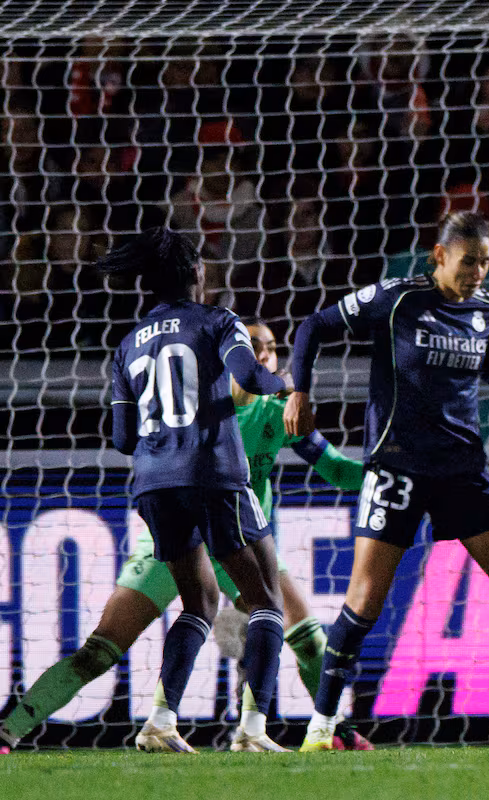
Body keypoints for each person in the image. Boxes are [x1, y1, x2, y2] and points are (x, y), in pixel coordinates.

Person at [283, 211, 489, 750]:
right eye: (468, 261)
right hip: (398, 466)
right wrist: (299, 391)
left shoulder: (486, 311)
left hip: (461, 470)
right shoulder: (399, 298)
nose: (477, 272)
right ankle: (321, 726)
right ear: (439, 256)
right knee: (364, 601)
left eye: (486, 263)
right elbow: (313, 326)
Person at [0, 317, 371, 753]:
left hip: (245, 542)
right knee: (102, 648)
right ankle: (10, 728)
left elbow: (333, 467)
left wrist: (385, 477)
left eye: (271, 347)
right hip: (182, 538)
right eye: (254, 346)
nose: (265, 355)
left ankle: (329, 730)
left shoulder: (278, 411)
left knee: (308, 637)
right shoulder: (201, 410)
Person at [103, 228, 285, 753]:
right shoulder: (219, 321)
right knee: (265, 600)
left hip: (153, 484)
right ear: (196, 275)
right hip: (211, 474)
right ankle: (252, 731)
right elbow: (249, 375)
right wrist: (288, 384)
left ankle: (160, 722)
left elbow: (120, 438)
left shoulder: (126, 344)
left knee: (200, 603)